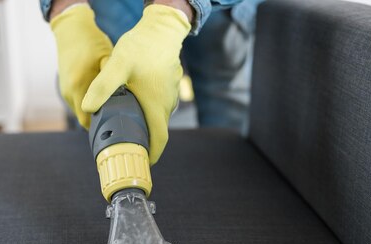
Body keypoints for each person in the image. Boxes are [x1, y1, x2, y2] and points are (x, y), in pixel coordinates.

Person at [41, 0, 264, 165]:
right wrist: (67, 12)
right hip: (114, 5)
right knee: (109, 97)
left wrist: (170, 13)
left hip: (222, 11)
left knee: (222, 97)